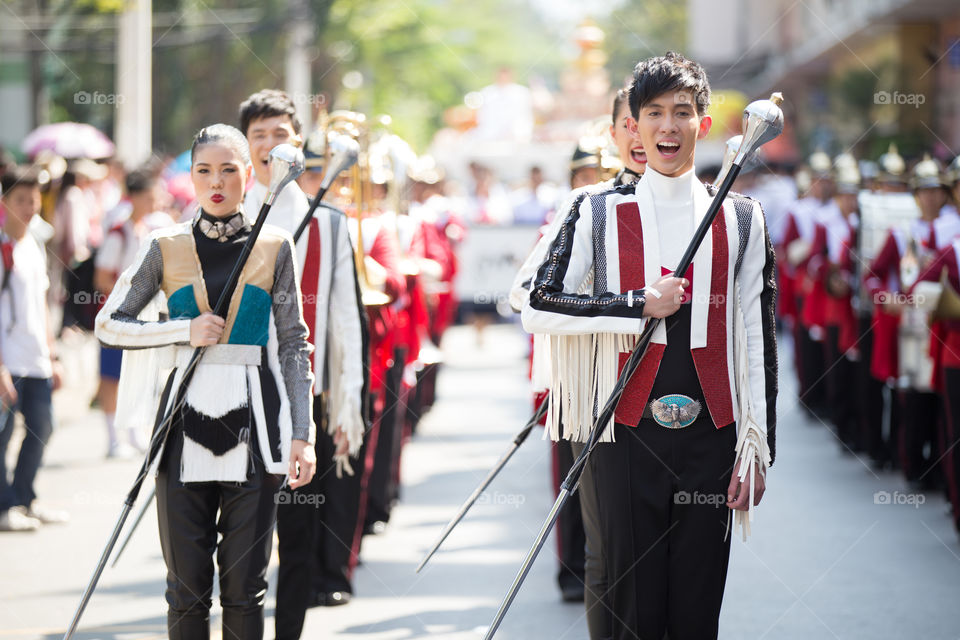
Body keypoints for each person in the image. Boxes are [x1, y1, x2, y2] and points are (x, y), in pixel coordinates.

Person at [521, 52, 777, 639]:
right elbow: (537, 301)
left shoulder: (743, 218)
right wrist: (635, 302)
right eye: (654, 113)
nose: (668, 127)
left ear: (704, 124)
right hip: (621, 431)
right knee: (627, 602)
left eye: (682, 113)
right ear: (631, 126)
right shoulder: (592, 210)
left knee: (697, 601)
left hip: (712, 432)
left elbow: (754, 336)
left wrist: (757, 448)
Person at [95, 124, 316, 639]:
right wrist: (182, 330)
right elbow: (110, 324)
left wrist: (302, 435)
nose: (216, 181)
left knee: (246, 589)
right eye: (203, 170)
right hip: (179, 432)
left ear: (248, 174)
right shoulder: (163, 245)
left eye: (228, 169)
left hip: (258, 433)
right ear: (190, 179)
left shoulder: (276, 246)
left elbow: (292, 346)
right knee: (186, 590)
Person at [238, 89, 367, 637]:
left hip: (299, 399)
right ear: (246, 146)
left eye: (281, 135)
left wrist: (347, 401)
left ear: (299, 144)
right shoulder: (226, 215)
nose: (271, 147)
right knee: (242, 536)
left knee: (297, 534)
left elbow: (343, 321)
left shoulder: (330, 224)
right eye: (259, 136)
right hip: (235, 395)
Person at [0, 166, 66, 532]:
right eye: (21, 199)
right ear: (5, 201)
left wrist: (52, 354)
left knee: (43, 426)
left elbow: (42, 304)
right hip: (7, 359)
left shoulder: (33, 246)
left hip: (35, 358)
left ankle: (25, 498)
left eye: (34, 199)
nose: (29, 207)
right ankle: (4, 506)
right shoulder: (2, 246)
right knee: (2, 434)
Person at [93, 165, 174, 458]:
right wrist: (127, 300)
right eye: (150, 196)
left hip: (143, 317)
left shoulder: (149, 231)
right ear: (136, 197)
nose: (155, 202)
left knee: (138, 373)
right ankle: (113, 438)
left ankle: (133, 432)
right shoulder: (118, 233)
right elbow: (102, 278)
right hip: (119, 318)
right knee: (112, 377)